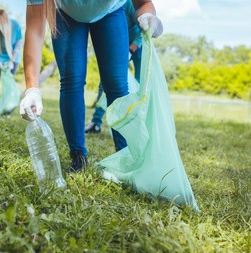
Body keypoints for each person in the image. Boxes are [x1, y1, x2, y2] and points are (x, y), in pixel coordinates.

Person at [20, 0, 163, 172]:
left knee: (116, 85)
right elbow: (35, 30)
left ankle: (126, 154)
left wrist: (149, 15)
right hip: (66, 14)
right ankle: (78, 155)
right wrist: (32, 88)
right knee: (72, 80)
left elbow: (143, 3)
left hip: (111, 12)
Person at [86, 0, 142, 134]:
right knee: (106, 82)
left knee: (140, 83)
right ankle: (96, 122)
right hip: (117, 43)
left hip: (137, 46)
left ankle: (137, 122)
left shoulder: (127, 3)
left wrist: (130, 50)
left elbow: (142, 29)